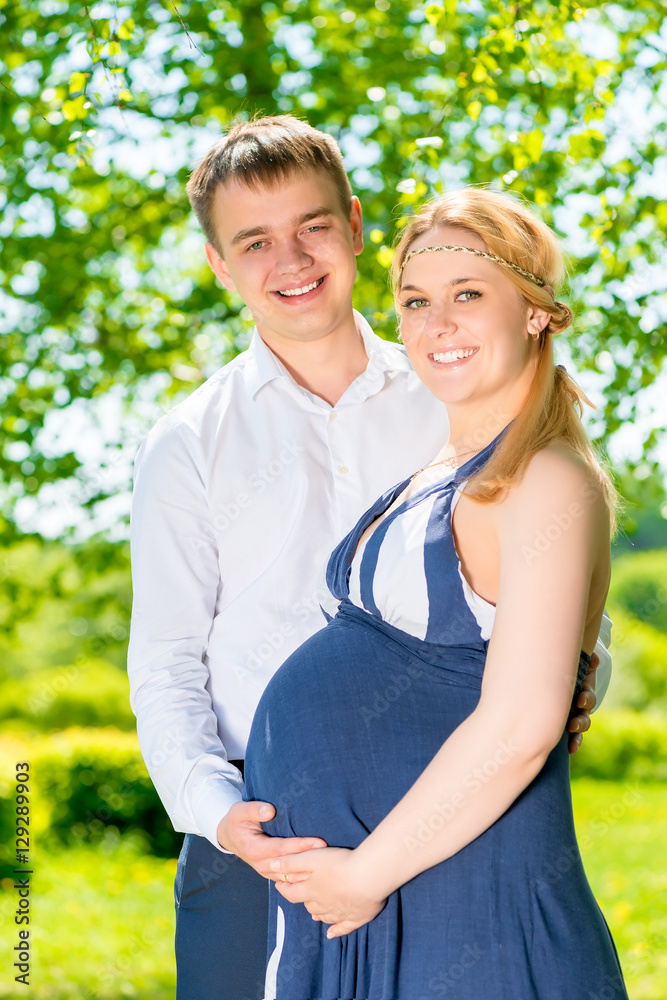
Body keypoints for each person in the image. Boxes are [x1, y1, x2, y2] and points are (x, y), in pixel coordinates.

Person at [127, 117, 609, 1000]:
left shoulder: (457, 383)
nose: (292, 260)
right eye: (255, 242)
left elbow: (540, 575)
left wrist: (583, 672)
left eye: (312, 226)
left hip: (452, 828)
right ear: (219, 267)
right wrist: (220, 819)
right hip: (263, 846)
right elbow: (163, 667)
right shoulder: (188, 444)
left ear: (352, 226)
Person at [243, 187, 627, 999]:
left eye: (467, 295)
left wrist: (364, 874)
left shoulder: (547, 479)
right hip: (380, 905)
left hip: (456, 909)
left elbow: (521, 723)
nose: (435, 323)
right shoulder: (436, 472)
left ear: (532, 313)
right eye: (415, 301)